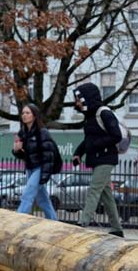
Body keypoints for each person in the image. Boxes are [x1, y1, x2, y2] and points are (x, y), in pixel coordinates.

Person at [71, 83, 125, 237]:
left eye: (78, 99)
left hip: (107, 158)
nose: (77, 103)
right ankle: (116, 228)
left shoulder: (104, 113)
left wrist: (94, 146)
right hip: (97, 158)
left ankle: (83, 223)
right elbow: (88, 139)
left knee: (94, 189)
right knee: (105, 194)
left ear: (86, 98)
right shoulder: (89, 117)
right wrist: (78, 153)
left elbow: (116, 136)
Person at [12, 103, 59, 221]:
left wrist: (44, 176)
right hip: (29, 168)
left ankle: (19, 220)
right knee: (43, 200)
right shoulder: (23, 133)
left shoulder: (42, 133)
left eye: (27, 113)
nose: (24, 115)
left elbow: (49, 156)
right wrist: (16, 150)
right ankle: (54, 221)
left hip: (40, 168)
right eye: (23, 113)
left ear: (34, 115)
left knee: (27, 194)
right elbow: (24, 155)